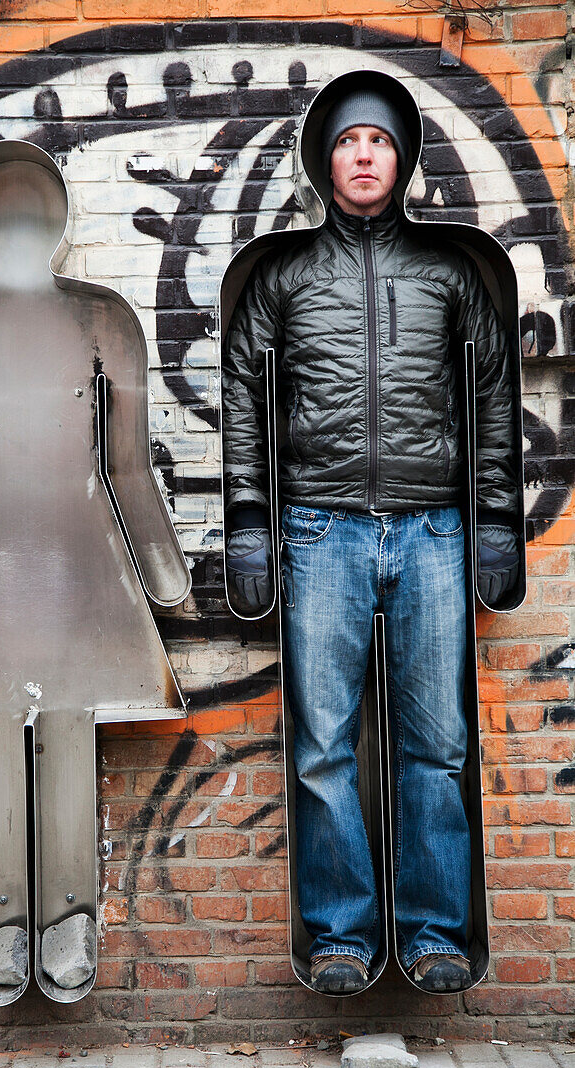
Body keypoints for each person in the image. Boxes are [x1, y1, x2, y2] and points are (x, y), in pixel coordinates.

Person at [222, 80, 519, 994]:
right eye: (347, 141)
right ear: (324, 158)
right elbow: (245, 407)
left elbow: (492, 400)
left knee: (437, 746)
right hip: (320, 533)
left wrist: (496, 518)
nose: (362, 155)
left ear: (401, 159)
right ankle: (342, 937)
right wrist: (247, 522)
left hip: (433, 530)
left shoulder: (450, 274)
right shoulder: (280, 277)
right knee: (321, 749)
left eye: (379, 142)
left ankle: (433, 933)